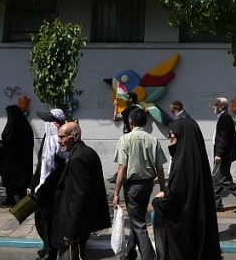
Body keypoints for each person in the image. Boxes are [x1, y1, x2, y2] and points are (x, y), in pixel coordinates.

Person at [153, 118, 223, 260]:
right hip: (198, 227)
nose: (169, 138)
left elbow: (174, 202)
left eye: (171, 134)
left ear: (181, 136)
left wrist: (157, 201)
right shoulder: (199, 161)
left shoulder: (181, 163)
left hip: (184, 237)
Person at [112, 107, 167, 260]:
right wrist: (163, 188)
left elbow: (122, 167)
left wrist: (116, 193)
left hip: (132, 186)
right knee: (137, 219)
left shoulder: (125, 139)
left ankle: (149, 257)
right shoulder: (153, 139)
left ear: (130, 122)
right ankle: (130, 253)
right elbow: (160, 168)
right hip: (147, 185)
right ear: (145, 122)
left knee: (138, 223)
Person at [52, 121, 110, 260]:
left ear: (76, 136)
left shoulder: (78, 157)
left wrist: (71, 231)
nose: (59, 141)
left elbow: (79, 196)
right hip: (82, 223)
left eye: (62, 137)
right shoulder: (87, 152)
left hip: (75, 226)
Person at [29, 108, 68, 260]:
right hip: (47, 189)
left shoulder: (57, 142)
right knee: (44, 221)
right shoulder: (50, 138)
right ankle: (48, 247)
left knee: (48, 222)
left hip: (49, 190)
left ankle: (50, 252)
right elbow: (41, 165)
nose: (45, 124)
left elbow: (45, 169)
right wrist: (32, 184)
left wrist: (35, 187)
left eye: (47, 121)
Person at [0, 96, 34, 206]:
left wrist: (3, 144)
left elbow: (9, 139)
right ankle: (22, 197)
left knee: (10, 179)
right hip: (23, 159)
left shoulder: (13, 125)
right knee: (22, 179)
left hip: (11, 159)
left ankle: (10, 199)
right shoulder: (25, 124)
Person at [212, 97, 236, 212]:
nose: (213, 107)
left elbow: (224, 138)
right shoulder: (223, 117)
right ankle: (217, 205)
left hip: (223, 155)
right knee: (216, 180)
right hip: (221, 153)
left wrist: (219, 154)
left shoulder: (225, 118)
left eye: (215, 105)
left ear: (221, 106)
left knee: (222, 179)